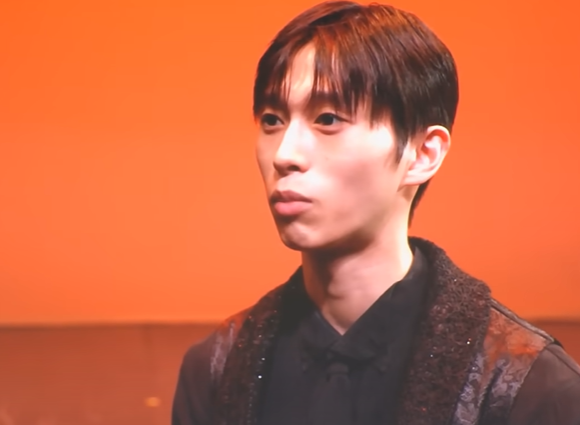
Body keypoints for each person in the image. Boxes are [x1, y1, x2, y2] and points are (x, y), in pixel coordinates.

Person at [172, 2, 580, 424]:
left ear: (422, 154)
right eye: (273, 120)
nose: (285, 154)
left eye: (327, 119)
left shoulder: (531, 389)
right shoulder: (215, 369)